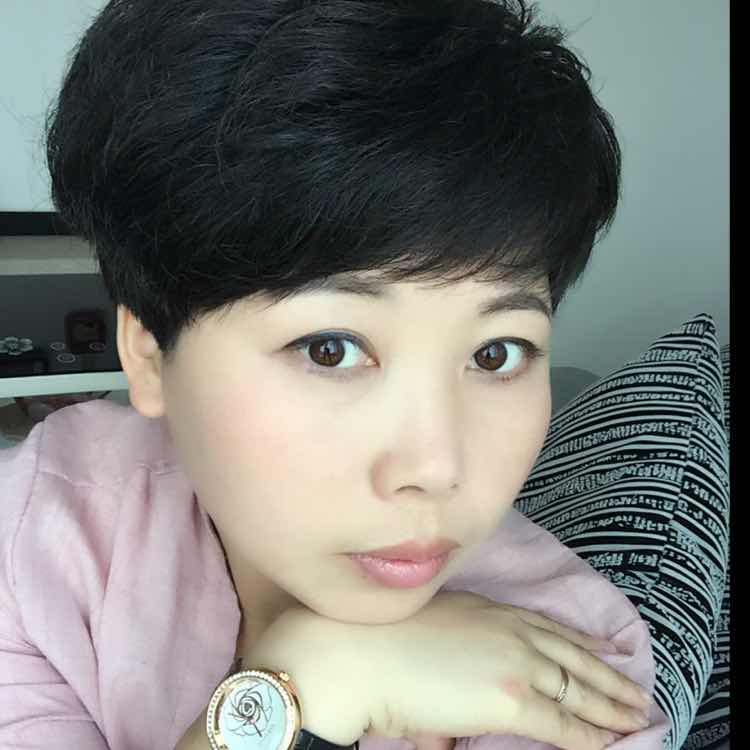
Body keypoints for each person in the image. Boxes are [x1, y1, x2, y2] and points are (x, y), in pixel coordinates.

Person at [0, 0, 672, 748]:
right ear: (151, 353)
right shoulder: (43, 528)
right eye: (332, 349)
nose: (437, 469)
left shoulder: (569, 677)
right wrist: (301, 689)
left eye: (496, 354)